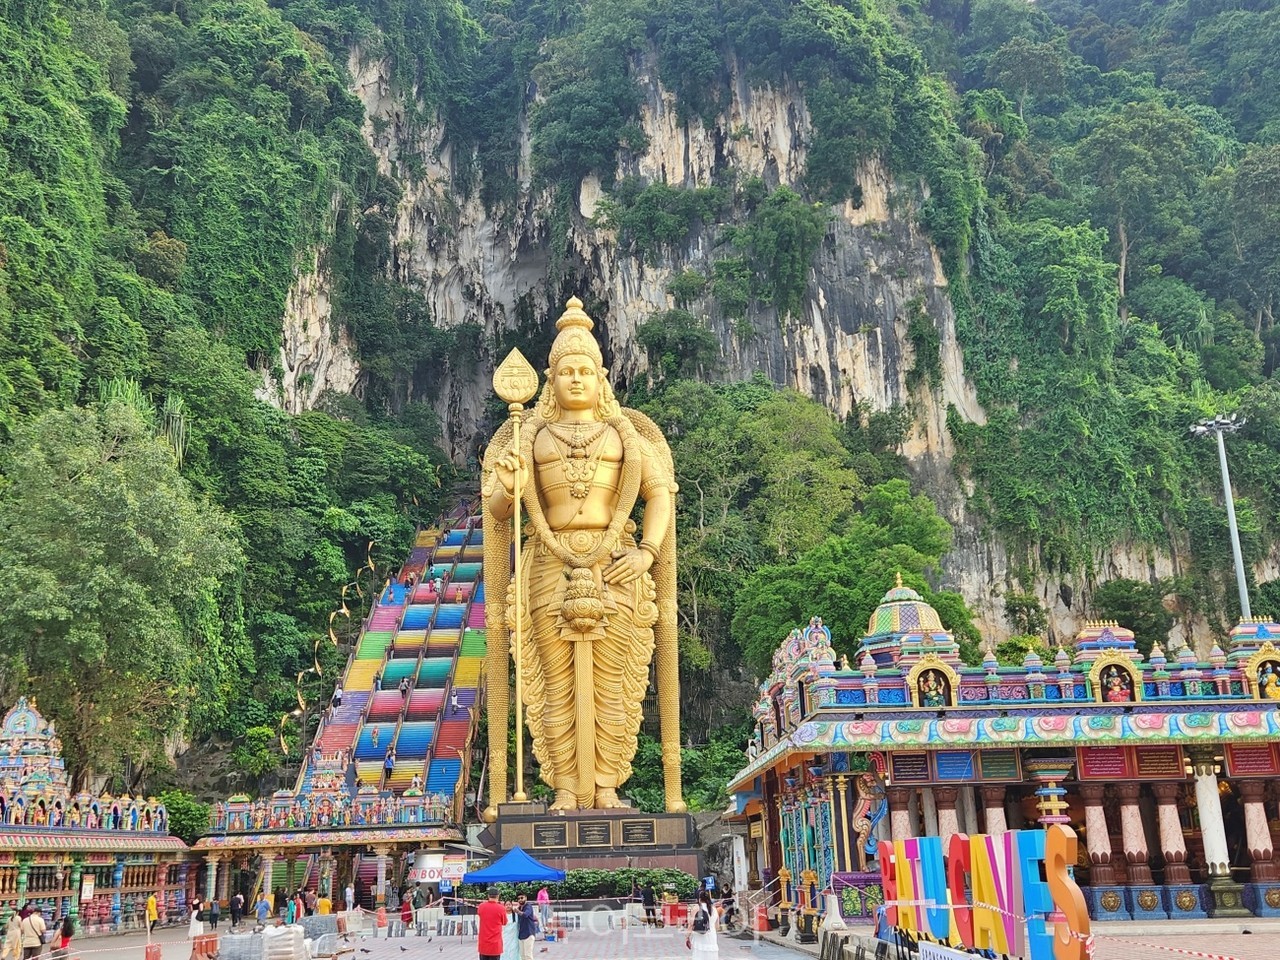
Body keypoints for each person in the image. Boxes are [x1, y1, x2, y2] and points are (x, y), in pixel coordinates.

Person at [484, 298, 684, 813]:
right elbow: (500, 510)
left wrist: (646, 551)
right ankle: (565, 789)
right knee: (552, 682)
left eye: (585, 371)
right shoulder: (528, 437)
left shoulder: (627, 437)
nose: (576, 379)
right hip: (549, 565)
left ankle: (607, 786)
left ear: (602, 378)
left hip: (616, 561)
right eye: (566, 371)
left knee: (615, 681)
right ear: (550, 379)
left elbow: (659, 494)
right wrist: (508, 482)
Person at [476, 887, 507, 960]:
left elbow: (480, 914)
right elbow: (504, 922)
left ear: (488, 896)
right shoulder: (501, 908)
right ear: (498, 896)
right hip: (495, 944)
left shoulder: (481, 906)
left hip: (483, 943)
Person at [687, 890, 718, 959]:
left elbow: (691, 924)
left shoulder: (696, 908)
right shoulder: (714, 909)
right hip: (712, 936)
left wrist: (687, 937)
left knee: (700, 956)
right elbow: (717, 926)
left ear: (699, 899)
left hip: (699, 936)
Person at [515, 895, 537, 960]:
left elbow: (525, 914)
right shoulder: (519, 908)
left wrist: (517, 911)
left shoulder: (528, 906)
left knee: (528, 955)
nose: (520, 900)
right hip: (521, 934)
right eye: (518, 898)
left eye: (522, 898)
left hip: (529, 934)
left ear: (526, 898)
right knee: (522, 956)